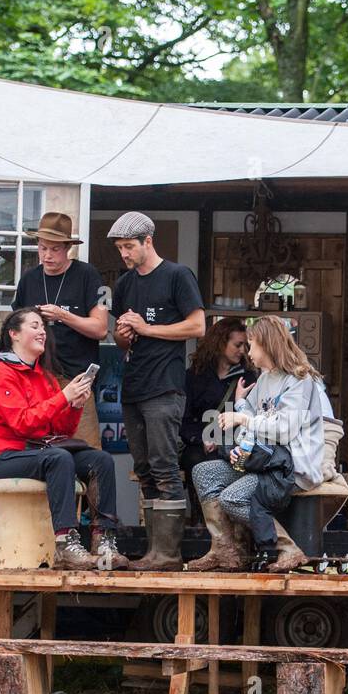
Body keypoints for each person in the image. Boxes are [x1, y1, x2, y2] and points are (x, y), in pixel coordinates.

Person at [0, 307, 127, 570]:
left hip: (38, 451)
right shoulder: (0, 373)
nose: (42, 332)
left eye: (43, 327)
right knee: (59, 458)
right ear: (14, 334)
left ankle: (104, 541)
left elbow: (62, 431)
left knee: (100, 460)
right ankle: (65, 543)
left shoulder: (44, 376)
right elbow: (22, 423)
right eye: (34, 326)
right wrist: (63, 397)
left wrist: (75, 405)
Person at [108, 212, 206, 571]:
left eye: (129, 247)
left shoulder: (177, 276)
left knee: (165, 467)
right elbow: (120, 340)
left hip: (165, 384)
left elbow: (198, 326)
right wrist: (125, 333)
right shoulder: (124, 284)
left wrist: (147, 329)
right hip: (134, 382)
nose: (124, 254)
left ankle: (168, 554)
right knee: (144, 468)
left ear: (148, 241)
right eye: (120, 248)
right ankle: (153, 551)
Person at [190, 316, 327, 573]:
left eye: (251, 345)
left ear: (266, 344)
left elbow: (284, 430)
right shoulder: (265, 379)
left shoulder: (299, 380)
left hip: (288, 467)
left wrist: (242, 418)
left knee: (232, 497)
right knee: (204, 472)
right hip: (261, 460)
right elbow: (247, 423)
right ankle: (226, 551)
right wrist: (239, 445)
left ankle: (288, 548)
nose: (247, 353)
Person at [11, 212, 107, 449]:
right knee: (37, 449)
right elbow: (13, 328)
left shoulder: (89, 276)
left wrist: (63, 315)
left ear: (68, 249)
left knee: (87, 450)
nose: (47, 255)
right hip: (36, 380)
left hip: (76, 379)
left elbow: (101, 329)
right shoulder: (28, 280)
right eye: (43, 248)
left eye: (55, 249)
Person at [181, 318, 259, 504]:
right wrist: (202, 439)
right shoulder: (195, 375)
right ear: (220, 343)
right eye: (238, 345)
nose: (242, 351)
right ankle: (203, 517)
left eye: (245, 346)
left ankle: (230, 511)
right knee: (195, 460)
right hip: (199, 444)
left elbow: (252, 417)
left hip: (235, 443)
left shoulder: (247, 377)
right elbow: (183, 419)